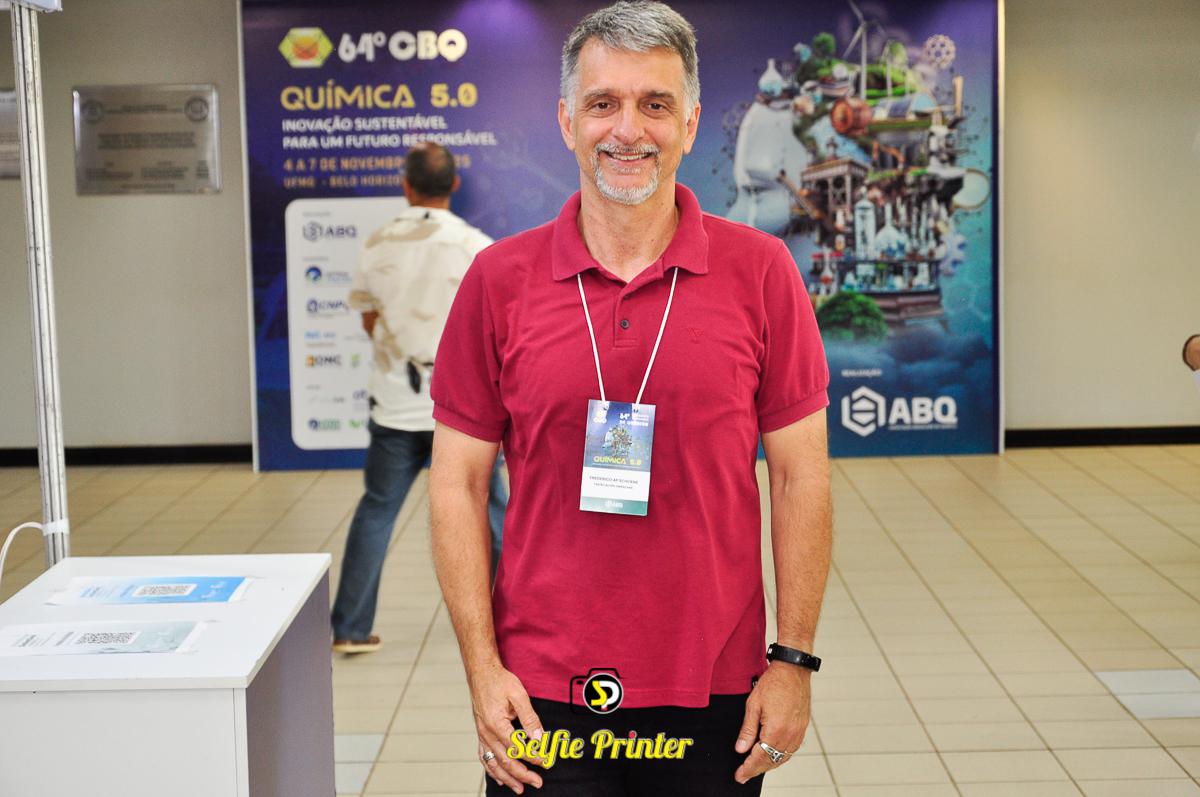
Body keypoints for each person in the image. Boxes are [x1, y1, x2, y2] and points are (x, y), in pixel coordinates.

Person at [429, 2, 832, 794]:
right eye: (603, 103)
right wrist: (481, 667)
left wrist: (792, 661)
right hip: (542, 691)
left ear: (689, 124)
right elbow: (457, 485)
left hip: (716, 687)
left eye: (654, 104)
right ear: (566, 121)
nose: (627, 130)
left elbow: (800, 478)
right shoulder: (498, 281)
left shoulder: (761, 272)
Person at [331, 143, 507, 654]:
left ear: (406, 186)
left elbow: (369, 320)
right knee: (495, 515)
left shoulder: (377, 243)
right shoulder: (478, 248)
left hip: (395, 404)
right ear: (454, 185)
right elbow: (495, 335)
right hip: (466, 414)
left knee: (377, 510)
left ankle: (350, 628)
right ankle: (509, 624)